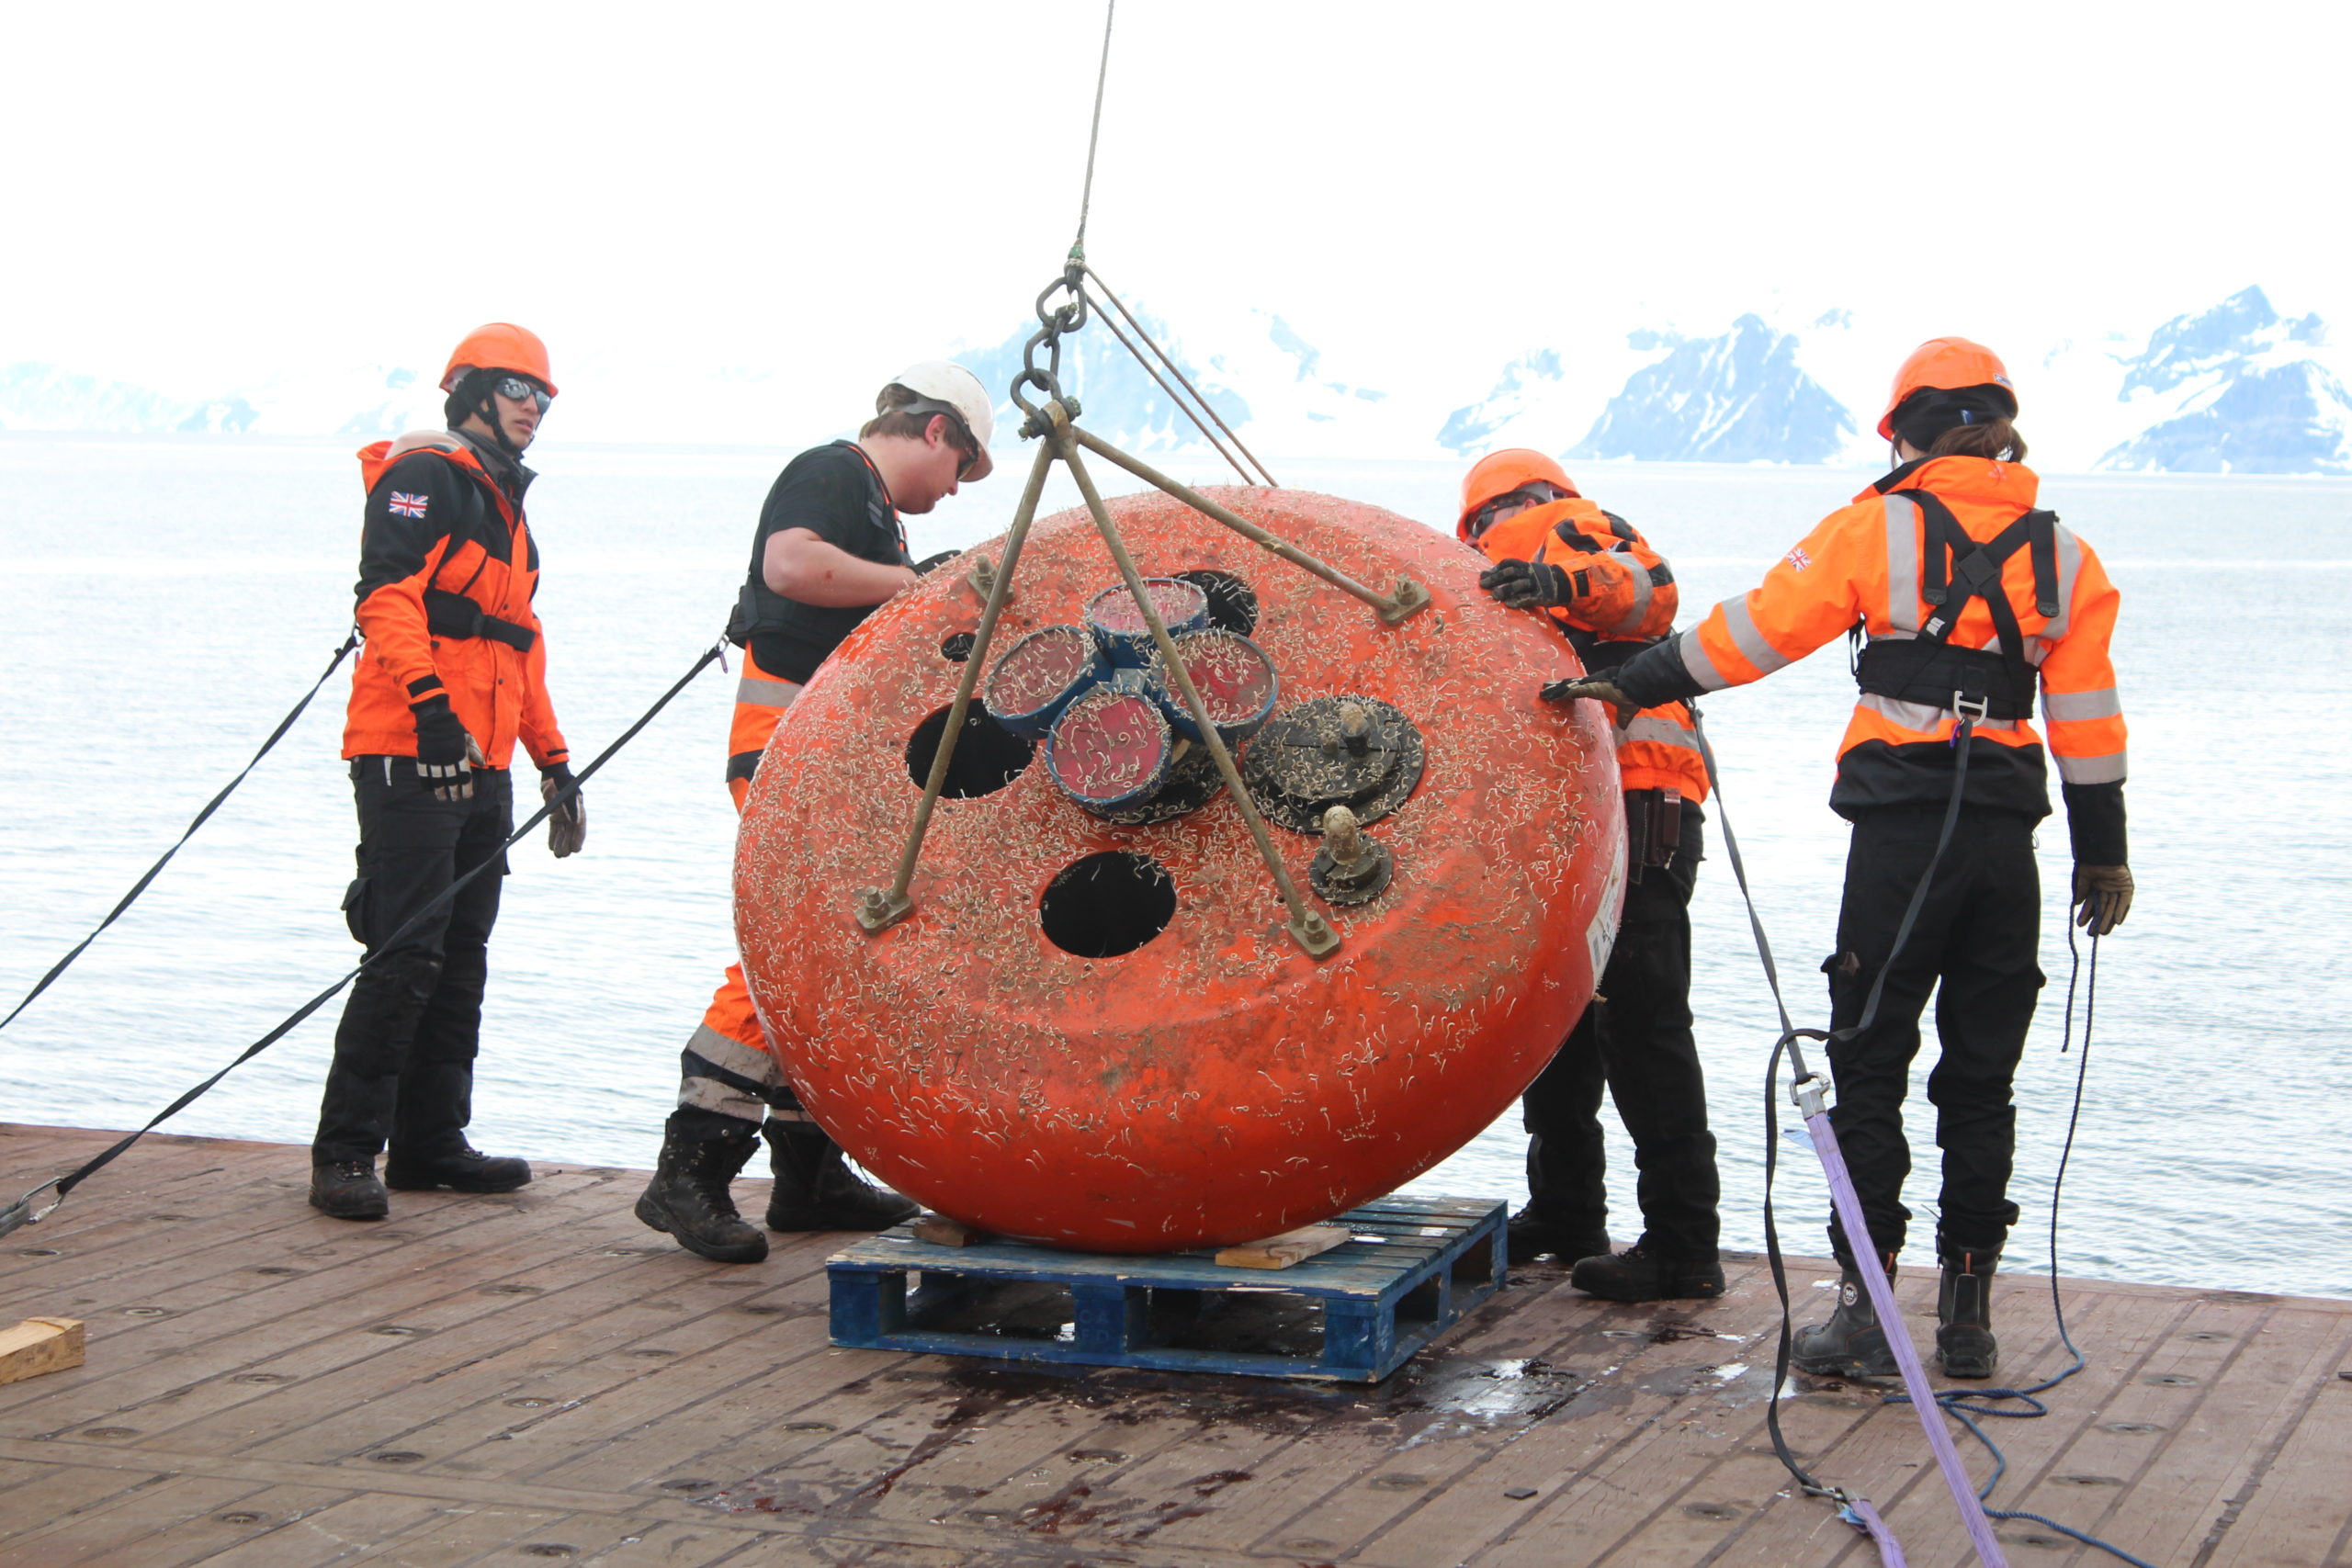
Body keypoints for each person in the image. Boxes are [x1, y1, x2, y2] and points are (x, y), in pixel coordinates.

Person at [1552, 339, 2132, 1377]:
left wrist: (1635, 682)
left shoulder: (1878, 527)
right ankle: (1966, 1319)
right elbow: (2087, 718)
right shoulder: (2066, 556)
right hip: (2008, 845)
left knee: (1868, 1063)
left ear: (1906, 434)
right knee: (1981, 1079)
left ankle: (1865, 1315)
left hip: (1904, 839)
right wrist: (2106, 856)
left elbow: (1760, 632)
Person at [634, 362, 996, 1262]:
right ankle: (693, 1164)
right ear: (936, 433)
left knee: (836, 949)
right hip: (784, 749)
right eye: (959, 471)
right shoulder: (834, 473)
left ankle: (807, 1171)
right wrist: (912, 587)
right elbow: (788, 565)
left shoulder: (874, 512)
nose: (951, 495)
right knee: (793, 941)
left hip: (820, 757)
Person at [310, 322, 586, 1221]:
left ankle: (431, 1146)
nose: (533, 409)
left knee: (459, 956)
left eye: (543, 397)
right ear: (469, 391)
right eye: (518, 390)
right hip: (406, 750)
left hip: (485, 761)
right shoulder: (423, 478)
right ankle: (346, 1151)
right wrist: (428, 708)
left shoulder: (506, 506)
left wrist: (555, 763)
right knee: (404, 953)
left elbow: (520, 648)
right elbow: (385, 596)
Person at [1461, 451, 1725, 1302]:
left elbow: (1651, 587)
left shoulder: (1562, 528)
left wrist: (1552, 579)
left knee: (1638, 1022)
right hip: (1586, 811)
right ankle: (1570, 1209)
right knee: (1567, 1017)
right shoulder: (1500, 569)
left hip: (1638, 800)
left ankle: (1684, 1246)